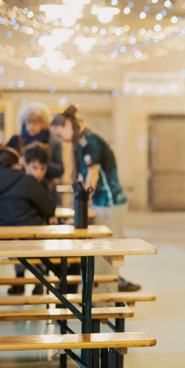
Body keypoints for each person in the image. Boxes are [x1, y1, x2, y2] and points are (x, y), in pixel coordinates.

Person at [50, 105, 141, 293]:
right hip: (102, 204)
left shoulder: (90, 142)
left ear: (68, 125)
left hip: (110, 203)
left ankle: (108, 296)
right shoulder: (82, 143)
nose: (61, 140)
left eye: (60, 135)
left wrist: (83, 205)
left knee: (109, 252)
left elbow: (93, 175)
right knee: (101, 253)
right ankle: (101, 295)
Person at [0, 145, 56, 295]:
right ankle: (41, 281)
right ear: (18, 165)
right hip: (30, 235)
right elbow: (49, 208)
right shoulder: (27, 181)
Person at [6, 102, 65, 184]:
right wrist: (17, 163)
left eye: (35, 122)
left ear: (43, 122)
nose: (31, 126)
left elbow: (60, 170)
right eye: (28, 122)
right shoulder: (16, 140)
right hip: (19, 186)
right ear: (24, 122)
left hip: (44, 188)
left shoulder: (52, 142)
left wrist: (41, 164)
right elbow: (3, 165)